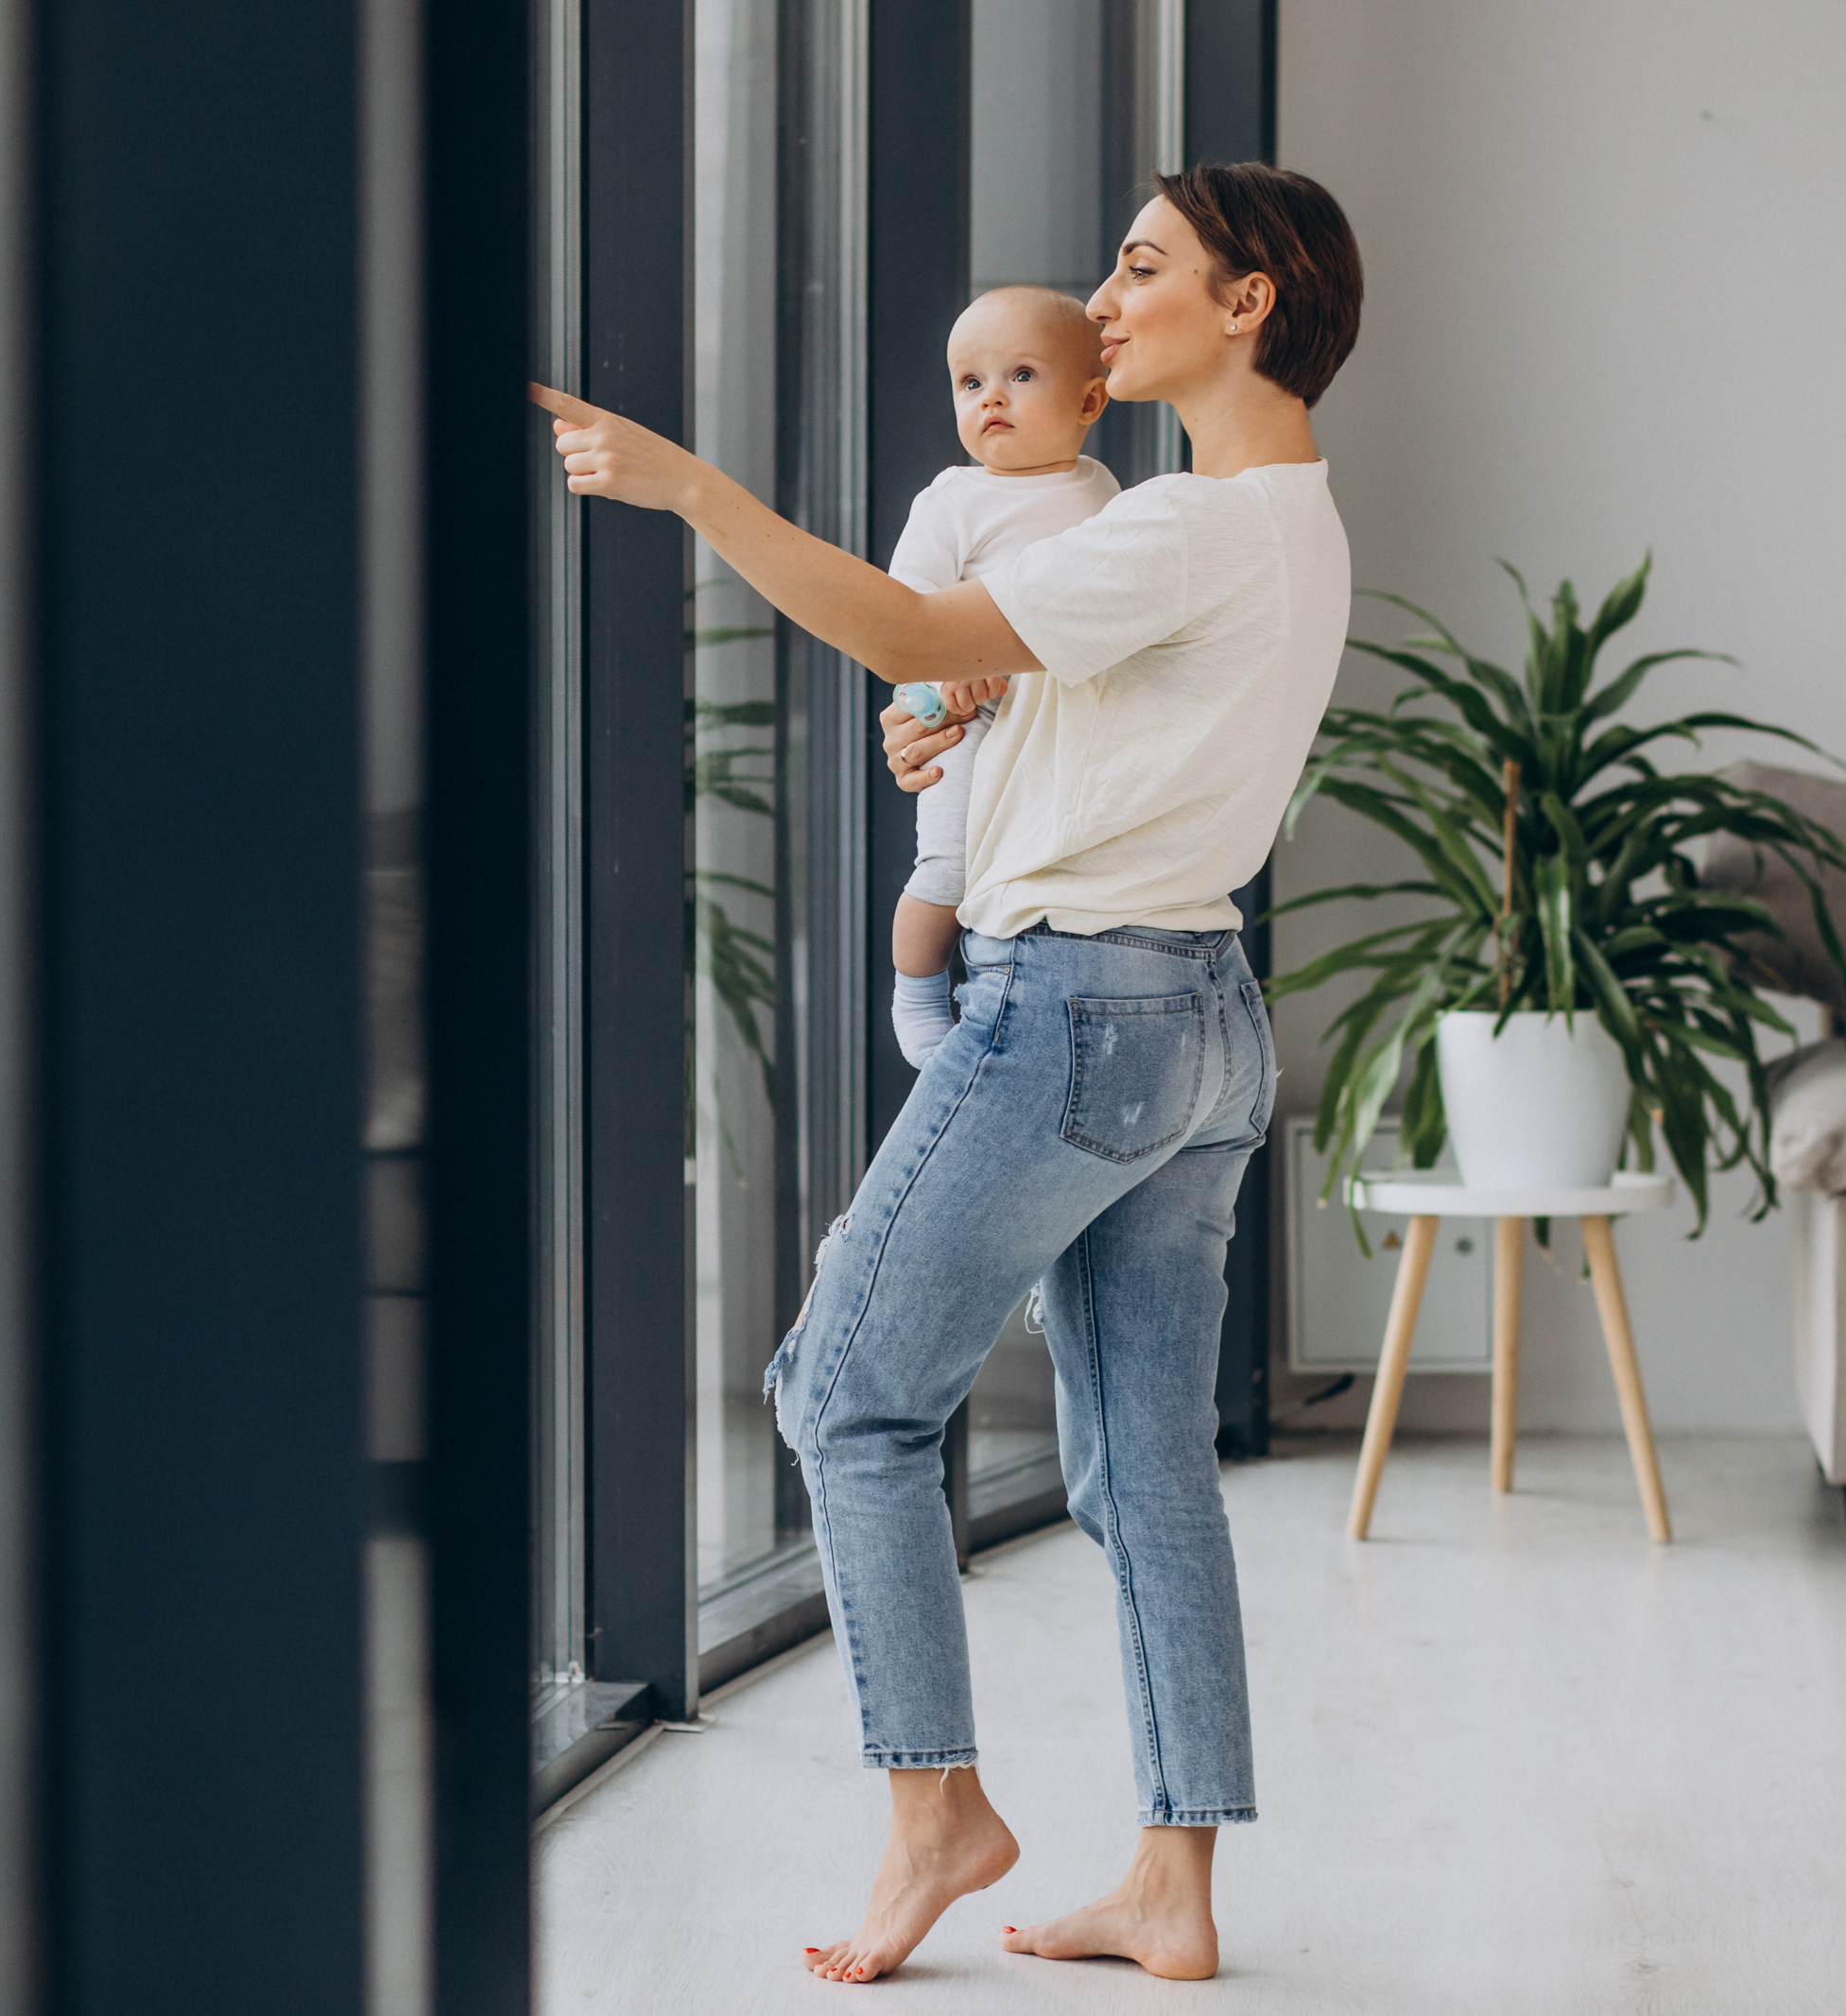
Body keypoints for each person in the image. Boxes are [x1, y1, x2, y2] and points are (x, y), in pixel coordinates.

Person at [532, 160, 1363, 1987]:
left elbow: (909, 630)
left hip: (1074, 1009)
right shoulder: (1286, 521)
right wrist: (983, 717)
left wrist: (688, 486)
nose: (1106, 295)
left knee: (840, 1394)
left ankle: (935, 1809)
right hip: (1205, 1009)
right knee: (1146, 1456)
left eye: (1142, 266)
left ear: (1250, 301)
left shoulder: (1185, 524)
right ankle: (1173, 1877)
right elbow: (1049, 692)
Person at [878, 286, 1118, 1067]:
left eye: (1021, 374)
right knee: (947, 866)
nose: (992, 399)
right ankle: (916, 987)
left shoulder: (1103, 494)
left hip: (1059, 719)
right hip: (959, 713)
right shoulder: (953, 499)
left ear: (1089, 398)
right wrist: (946, 681)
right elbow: (903, 613)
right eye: (970, 382)